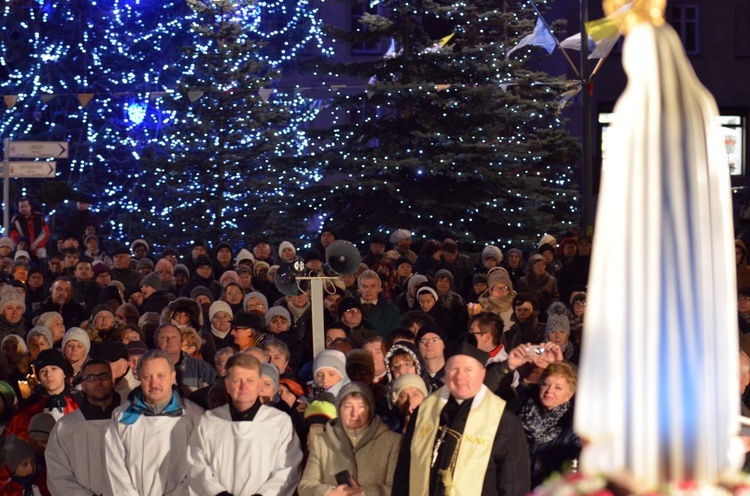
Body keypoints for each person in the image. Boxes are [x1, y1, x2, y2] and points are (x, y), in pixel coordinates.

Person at [393, 341, 530, 496]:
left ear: (482, 374)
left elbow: (514, 485)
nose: (460, 377)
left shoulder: (504, 421)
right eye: (454, 369)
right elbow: (403, 473)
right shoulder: (423, 413)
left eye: (468, 370)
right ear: (445, 373)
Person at [186, 353, 303, 495]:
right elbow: (196, 464)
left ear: (260, 384)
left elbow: (288, 468)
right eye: (236, 380)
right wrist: (218, 493)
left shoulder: (279, 422)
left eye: (250, 380)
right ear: (227, 385)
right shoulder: (209, 421)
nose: (244, 387)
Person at [104, 349, 204, 495]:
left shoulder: (194, 416)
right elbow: (114, 467)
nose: (154, 383)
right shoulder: (122, 417)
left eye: (160, 376)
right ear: (138, 377)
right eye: (147, 377)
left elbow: (199, 467)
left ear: (172, 376)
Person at [298, 382, 402, 496]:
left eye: (361, 406)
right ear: (339, 410)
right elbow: (305, 487)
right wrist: (328, 493)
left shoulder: (392, 442)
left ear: (370, 409)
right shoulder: (322, 441)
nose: (354, 413)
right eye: (348, 406)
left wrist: (365, 493)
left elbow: (398, 487)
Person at [46, 359, 120, 496]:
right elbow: (58, 476)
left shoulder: (129, 422)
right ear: (83, 385)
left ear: (113, 381)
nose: (98, 381)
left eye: (103, 376)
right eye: (91, 377)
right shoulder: (65, 427)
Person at [514, 361, 580, 488]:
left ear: (568, 396)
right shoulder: (519, 408)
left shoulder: (571, 426)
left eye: (558, 387)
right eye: (546, 384)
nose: (549, 390)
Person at [10, 197, 50, 261]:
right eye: (21, 207)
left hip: (39, 247)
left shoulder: (39, 218)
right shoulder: (16, 221)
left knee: (42, 257)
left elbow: (45, 233)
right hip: (23, 247)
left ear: (30, 207)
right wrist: (25, 245)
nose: (23, 209)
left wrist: (36, 244)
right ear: (18, 209)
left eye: (25, 206)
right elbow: (14, 236)